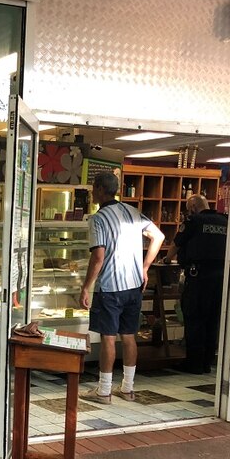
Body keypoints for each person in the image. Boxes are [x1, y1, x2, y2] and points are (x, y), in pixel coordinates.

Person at [79, 171, 164, 404]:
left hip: (110, 286)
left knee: (108, 337)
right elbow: (158, 237)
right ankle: (127, 388)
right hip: (134, 286)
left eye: (93, 187)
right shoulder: (133, 212)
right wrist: (145, 267)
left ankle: (104, 391)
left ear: (98, 189)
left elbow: (98, 256)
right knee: (128, 336)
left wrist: (86, 286)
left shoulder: (98, 219)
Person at [163, 194, 228, 373]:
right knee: (212, 320)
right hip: (222, 278)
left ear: (192, 207)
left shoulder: (194, 221)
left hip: (199, 277)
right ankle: (207, 362)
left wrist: (167, 259)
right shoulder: (225, 221)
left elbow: (177, 243)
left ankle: (194, 364)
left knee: (195, 319)